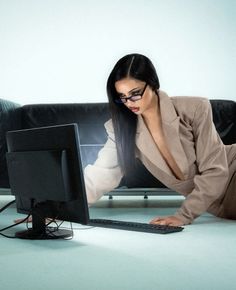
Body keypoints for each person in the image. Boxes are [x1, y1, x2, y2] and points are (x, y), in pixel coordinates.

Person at [84, 53, 236, 226]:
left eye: (135, 94)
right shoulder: (122, 129)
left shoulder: (195, 108)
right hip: (218, 203)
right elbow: (100, 174)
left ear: (153, 84)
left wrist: (183, 215)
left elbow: (215, 170)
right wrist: (62, 209)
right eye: (122, 97)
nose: (129, 102)